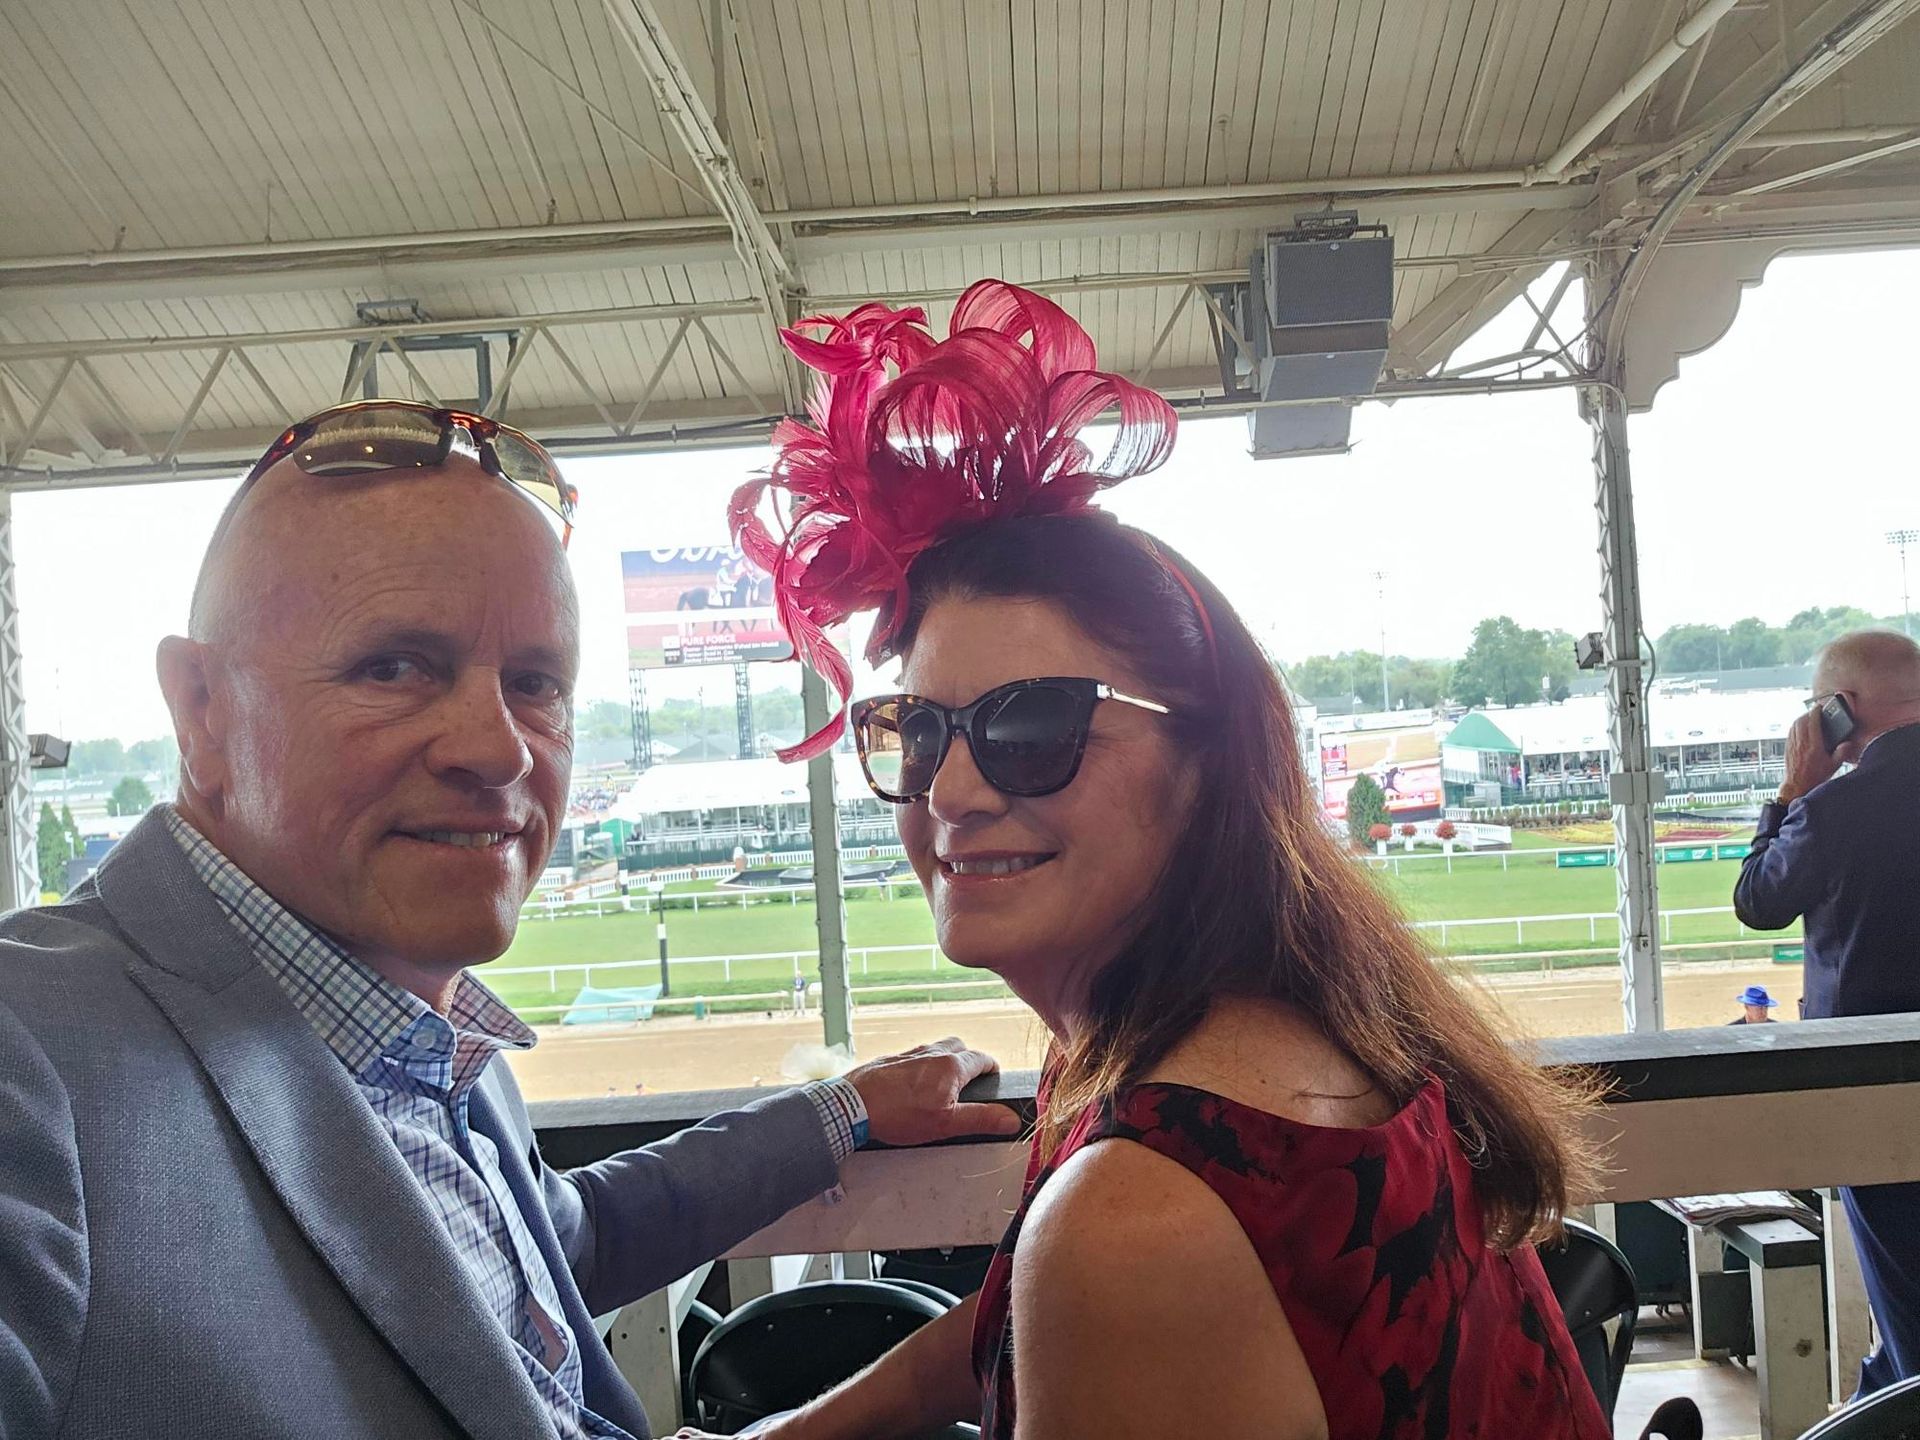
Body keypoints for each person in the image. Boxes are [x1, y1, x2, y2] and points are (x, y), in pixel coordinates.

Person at [679, 283, 1610, 1439]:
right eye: (917, 732)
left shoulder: (1136, 1213)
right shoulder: (1282, 1037)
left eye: (1034, 727)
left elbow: (1097, 1277)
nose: (953, 791)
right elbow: (1013, 1321)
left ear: (1207, 764)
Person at [0, 399, 1019, 1439]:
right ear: (201, 713)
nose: (498, 749)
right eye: (396, 667)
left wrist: (840, 1115)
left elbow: (555, 1241)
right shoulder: (29, 1058)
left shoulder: (421, 1036)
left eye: (535, 684)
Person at [1734, 627, 1920, 1396]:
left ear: (1838, 711)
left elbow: (1758, 901)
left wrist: (1790, 793)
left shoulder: (1837, 808)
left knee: (1906, 1306)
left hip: (1874, 1092)